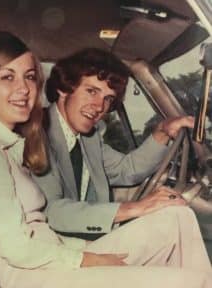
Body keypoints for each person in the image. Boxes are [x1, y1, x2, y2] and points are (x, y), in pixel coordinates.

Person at [0, 31, 212, 288]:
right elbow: (33, 232)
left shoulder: (7, 145)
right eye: (7, 77)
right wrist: (93, 255)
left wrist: (162, 133)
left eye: (29, 77)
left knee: (176, 215)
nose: (24, 89)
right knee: (191, 282)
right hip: (36, 275)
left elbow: (126, 170)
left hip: (54, 256)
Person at [32, 48, 196, 237]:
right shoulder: (38, 134)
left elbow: (127, 170)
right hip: (58, 248)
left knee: (175, 222)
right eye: (91, 91)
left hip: (89, 239)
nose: (100, 107)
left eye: (108, 98)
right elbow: (51, 212)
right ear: (63, 88)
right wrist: (135, 208)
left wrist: (162, 132)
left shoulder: (87, 138)